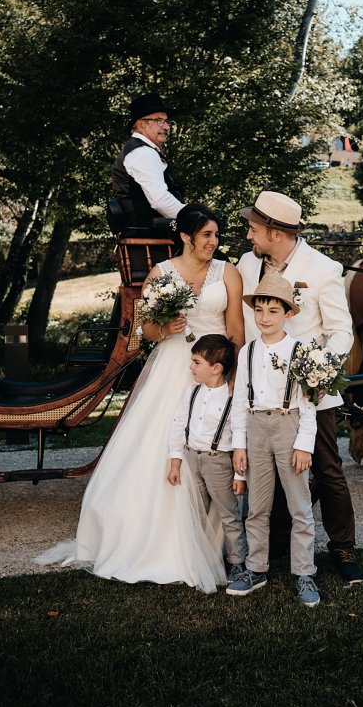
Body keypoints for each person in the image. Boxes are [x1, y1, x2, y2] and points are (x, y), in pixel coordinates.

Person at [36, 204, 244, 593]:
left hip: (214, 371)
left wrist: (226, 378)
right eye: (206, 236)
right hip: (172, 367)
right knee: (157, 446)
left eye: (217, 236)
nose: (214, 243)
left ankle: (218, 544)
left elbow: (236, 331)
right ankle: (154, 541)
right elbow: (145, 331)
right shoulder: (161, 274)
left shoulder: (228, 273)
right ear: (185, 236)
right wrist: (166, 325)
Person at [237, 191, 363, 583]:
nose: (248, 237)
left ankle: (342, 547)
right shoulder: (246, 266)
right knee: (270, 471)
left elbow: (341, 331)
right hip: (262, 393)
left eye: (254, 229)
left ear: (276, 233)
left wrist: (320, 370)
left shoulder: (324, 268)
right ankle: (277, 544)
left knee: (326, 468)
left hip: (311, 393)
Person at [227, 274, 320, 607]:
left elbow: (309, 403)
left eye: (272, 311)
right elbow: (239, 400)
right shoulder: (247, 352)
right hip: (254, 428)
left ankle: (305, 573)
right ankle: (256, 568)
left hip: (288, 426)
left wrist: (304, 444)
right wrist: (239, 444)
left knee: (299, 507)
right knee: (256, 507)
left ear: (288, 314)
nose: (264, 318)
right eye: (260, 310)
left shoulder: (300, 352)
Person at [167, 334, 247, 583]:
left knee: (229, 514)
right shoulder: (192, 392)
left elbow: (239, 438)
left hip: (218, 462)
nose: (191, 367)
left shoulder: (232, 398)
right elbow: (179, 424)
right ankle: (197, 557)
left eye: (196, 362)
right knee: (195, 511)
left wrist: (239, 475)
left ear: (216, 369)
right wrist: (176, 460)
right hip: (192, 460)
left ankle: (237, 562)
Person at [111, 92, 185, 228]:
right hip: (151, 237)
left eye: (167, 121)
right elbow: (160, 201)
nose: (166, 126)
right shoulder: (141, 152)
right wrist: (195, 218)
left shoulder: (141, 150)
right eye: (159, 120)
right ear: (141, 126)